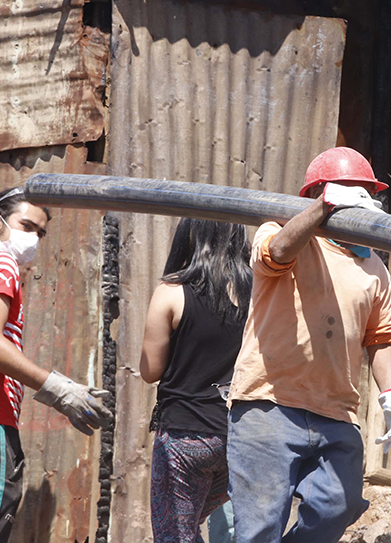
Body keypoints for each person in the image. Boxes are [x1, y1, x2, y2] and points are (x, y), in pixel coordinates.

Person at [226, 147, 391, 543]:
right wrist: (324, 209)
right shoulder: (280, 231)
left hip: (336, 413)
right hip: (268, 404)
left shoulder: (373, 266)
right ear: (317, 195)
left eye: (363, 193)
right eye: (349, 192)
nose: (359, 202)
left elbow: (382, 338)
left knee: (338, 506)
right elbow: (277, 253)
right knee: (259, 530)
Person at [0, 187, 112, 542]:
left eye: (40, 233)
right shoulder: (0, 262)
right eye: (26, 226)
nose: (33, 239)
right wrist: (58, 389)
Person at [139, 218, 251, 543]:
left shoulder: (172, 291)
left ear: (190, 238)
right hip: (238, 438)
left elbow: (150, 371)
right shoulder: (259, 295)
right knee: (188, 531)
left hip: (184, 441)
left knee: (174, 535)